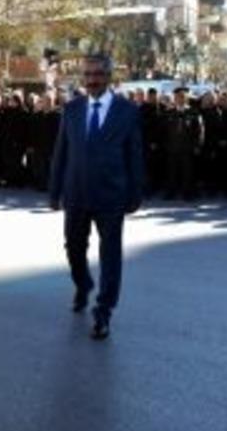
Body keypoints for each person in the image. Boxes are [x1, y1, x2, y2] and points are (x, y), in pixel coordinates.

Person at [49, 54, 144, 340]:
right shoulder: (71, 109)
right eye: (87, 75)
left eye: (98, 75)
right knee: (73, 248)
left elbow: (135, 155)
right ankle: (83, 284)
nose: (92, 80)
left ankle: (103, 311)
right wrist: (54, 190)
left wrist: (135, 193)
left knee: (110, 255)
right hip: (76, 192)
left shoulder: (127, 111)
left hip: (111, 195)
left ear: (109, 77)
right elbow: (61, 152)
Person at [163, 87, 203, 200]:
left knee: (187, 172)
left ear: (186, 98)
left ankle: (187, 193)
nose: (180, 99)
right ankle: (171, 192)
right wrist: (165, 144)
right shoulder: (169, 112)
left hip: (187, 148)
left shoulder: (194, 112)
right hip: (172, 147)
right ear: (174, 98)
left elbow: (199, 130)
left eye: (182, 97)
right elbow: (163, 130)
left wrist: (197, 145)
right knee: (171, 171)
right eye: (177, 97)